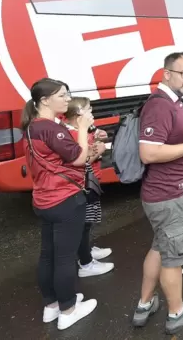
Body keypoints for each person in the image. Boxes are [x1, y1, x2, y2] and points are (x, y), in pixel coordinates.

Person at [132, 52, 183, 335]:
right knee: (174, 259)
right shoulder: (161, 105)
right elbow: (149, 152)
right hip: (171, 196)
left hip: (165, 194)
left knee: (159, 248)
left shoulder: (173, 102)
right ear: (166, 73)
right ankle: (177, 312)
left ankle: (144, 305)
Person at [22, 78, 98, 330]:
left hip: (44, 199)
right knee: (65, 257)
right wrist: (84, 131)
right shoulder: (52, 129)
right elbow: (78, 158)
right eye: (62, 95)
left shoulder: (33, 126)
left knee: (48, 255)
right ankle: (68, 309)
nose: (67, 99)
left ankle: (51, 305)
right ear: (45, 100)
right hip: (65, 198)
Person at [63, 97, 114, 278]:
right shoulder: (74, 135)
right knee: (84, 224)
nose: (92, 114)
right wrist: (97, 151)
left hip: (91, 182)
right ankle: (85, 262)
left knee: (89, 221)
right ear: (78, 116)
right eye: (89, 110)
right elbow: (79, 162)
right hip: (84, 185)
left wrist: (96, 137)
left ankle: (88, 250)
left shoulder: (79, 131)